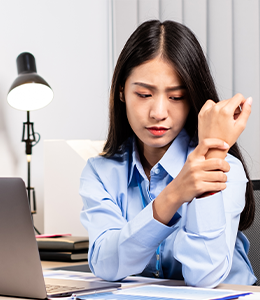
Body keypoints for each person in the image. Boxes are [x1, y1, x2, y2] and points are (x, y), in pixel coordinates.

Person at [79, 20, 256, 288]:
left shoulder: (223, 166)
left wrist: (211, 153)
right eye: (144, 94)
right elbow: (105, 264)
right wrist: (174, 195)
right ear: (121, 93)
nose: (158, 112)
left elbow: (204, 276)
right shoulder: (101, 171)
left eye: (176, 97)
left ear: (193, 99)